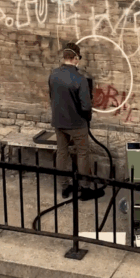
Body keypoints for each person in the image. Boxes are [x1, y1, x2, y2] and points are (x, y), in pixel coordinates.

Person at [48, 42, 92, 198]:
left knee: (62, 153)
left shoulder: (53, 75)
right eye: (78, 58)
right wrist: (87, 119)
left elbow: (52, 97)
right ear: (74, 58)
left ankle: (65, 187)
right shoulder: (80, 80)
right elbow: (86, 106)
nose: (78, 61)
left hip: (59, 121)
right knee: (82, 154)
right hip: (77, 123)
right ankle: (85, 188)